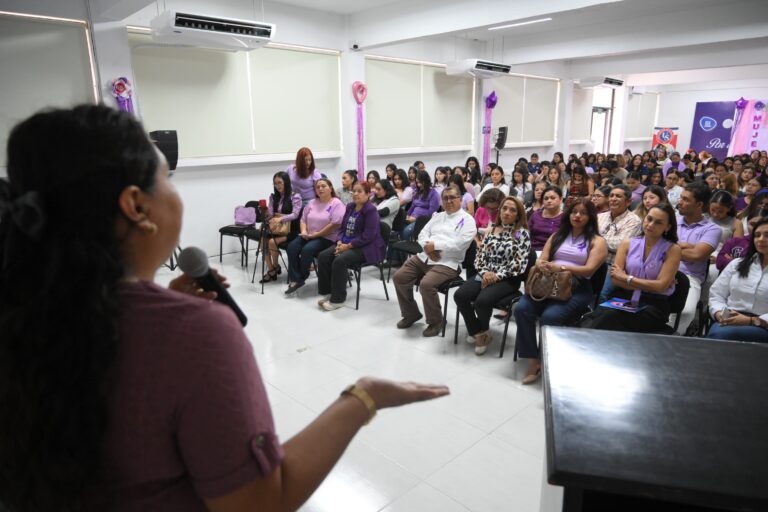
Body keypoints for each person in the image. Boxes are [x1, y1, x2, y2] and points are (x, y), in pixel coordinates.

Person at [0, 105, 450, 512]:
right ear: (137, 206)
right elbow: (260, 501)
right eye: (166, 180)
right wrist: (363, 398)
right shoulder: (195, 332)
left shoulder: (22, 312)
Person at [513, 198, 608, 384]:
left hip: (577, 287)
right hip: (548, 284)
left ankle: (548, 358)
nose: (578, 216)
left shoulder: (597, 241)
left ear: (591, 217)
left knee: (550, 317)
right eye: (574, 212)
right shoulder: (557, 235)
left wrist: (563, 269)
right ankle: (533, 360)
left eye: (583, 213)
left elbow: (589, 270)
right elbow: (543, 258)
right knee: (521, 309)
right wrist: (543, 264)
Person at [393, 186, 477, 337]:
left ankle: (436, 321)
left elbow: (460, 244)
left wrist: (435, 246)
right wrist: (428, 248)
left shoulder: (468, 220)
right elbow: (422, 234)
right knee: (399, 277)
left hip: (448, 262)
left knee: (426, 285)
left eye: (452, 197)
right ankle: (411, 314)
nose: (449, 201)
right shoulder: (437, 216)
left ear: (460, 199)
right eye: (445, 198)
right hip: (425, 256)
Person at [454, 196, 531, 355]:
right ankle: (478, 332)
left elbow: (519, 264)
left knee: (482, 301)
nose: (507, 212)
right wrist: (484, 273)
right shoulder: (491, 231)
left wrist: (496, 276)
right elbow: (479, 257)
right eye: (504, 208)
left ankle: (482, 330)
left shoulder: (521, 234)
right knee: (460, 295)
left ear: (518, 214)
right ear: (500, 210)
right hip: (485, 274)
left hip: (507, 279)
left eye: (512, 210)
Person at [589, 203, 682, 333]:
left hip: (654, 303)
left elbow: (661, 286)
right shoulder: (627, 243)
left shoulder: (673, 249)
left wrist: (627, 278)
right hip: (622, 297)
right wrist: (649, 285)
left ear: (668, 227)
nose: (650, 225)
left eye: (658, 223)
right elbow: (616, 279)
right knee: (603, 315)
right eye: (649, 219)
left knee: (609, 319)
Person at [317, 182, 386, 311]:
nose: (355, 194)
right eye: (354, 191)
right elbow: (342, 228)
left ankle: (338, 300)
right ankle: (330, 292)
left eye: (359, 191)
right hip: (346, 243)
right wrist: (339, 242)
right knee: (324, 256)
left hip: (366, 247)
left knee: (340, 261)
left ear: (368, 194)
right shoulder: (350, 207)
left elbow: (368, 236)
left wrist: (347, 246)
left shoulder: (371, 210)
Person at [707, 219, 768, 342]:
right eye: (757, 235)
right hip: (731, 318)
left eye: (767, 235)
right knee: (718, 335)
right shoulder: (737, 264)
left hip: (764, 325)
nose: (761, 239)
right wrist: (720, 314)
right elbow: (716, 295)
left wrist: (752, 321)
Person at [675, 182, 722, 333]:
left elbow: (697, 255)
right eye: (681, 197)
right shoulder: (671, 220)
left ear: (699, 205)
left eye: (686, 199)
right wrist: (686, 246)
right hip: (659, 270)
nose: (679, 202)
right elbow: (653, 247)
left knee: (686, 312)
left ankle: (673, 339)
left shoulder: (712, 229)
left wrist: (669, 248)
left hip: (689, 277)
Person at [285, 178, 345, 294]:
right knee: (291, 247)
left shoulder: (336, 203)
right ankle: (296, 278)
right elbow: (303, 220)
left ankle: (301, 277)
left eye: (323, 186)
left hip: (327, 237)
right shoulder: (312, 202)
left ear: (330, 188)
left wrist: (317, 234)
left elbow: (335, 224)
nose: (320, 189)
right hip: (308, 234)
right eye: (318, 187)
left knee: (307, 250)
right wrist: (303, 232)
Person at [259, 171, 302, 283]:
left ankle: (275, 267)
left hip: (291, 229)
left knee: (272, 242)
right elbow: (271, 213)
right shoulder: (273, 197)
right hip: (277, 228)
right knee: (263, 239)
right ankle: (272, 269)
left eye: (280, 182)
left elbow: (295, 214)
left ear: (286, 182)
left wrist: (281, 218)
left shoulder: (295, 196)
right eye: (275, 183)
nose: (278, 186)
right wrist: (265, 214)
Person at [597, 184, 641, 266]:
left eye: (618, 196)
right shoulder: (599, 216)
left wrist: (595, 238)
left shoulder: (634, 221)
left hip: (613, 265)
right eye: (611, 196)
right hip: (593, 260)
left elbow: (619, 245)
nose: (613, 199)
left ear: (628, 202)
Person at [402, 170, 440, 241]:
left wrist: (416, 219)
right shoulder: (417, 192)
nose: (419, 185)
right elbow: (412, 207)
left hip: (423, 220)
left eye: (420, 182)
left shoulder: (433, 193)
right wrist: (407, 215)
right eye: (417, 182)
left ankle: (408, 249)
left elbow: (431, 212)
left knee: (406, 232)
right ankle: (403, 250)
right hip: (412, 218)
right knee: (399, 229)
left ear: (426, 181)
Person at [528, 186, 564, 251]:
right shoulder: (536, 214)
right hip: (532, 250)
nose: (549, 201)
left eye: (553, 198)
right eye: (546, 198)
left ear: (560, 199)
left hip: (554, 252)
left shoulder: (564, 217)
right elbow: (526, 231)